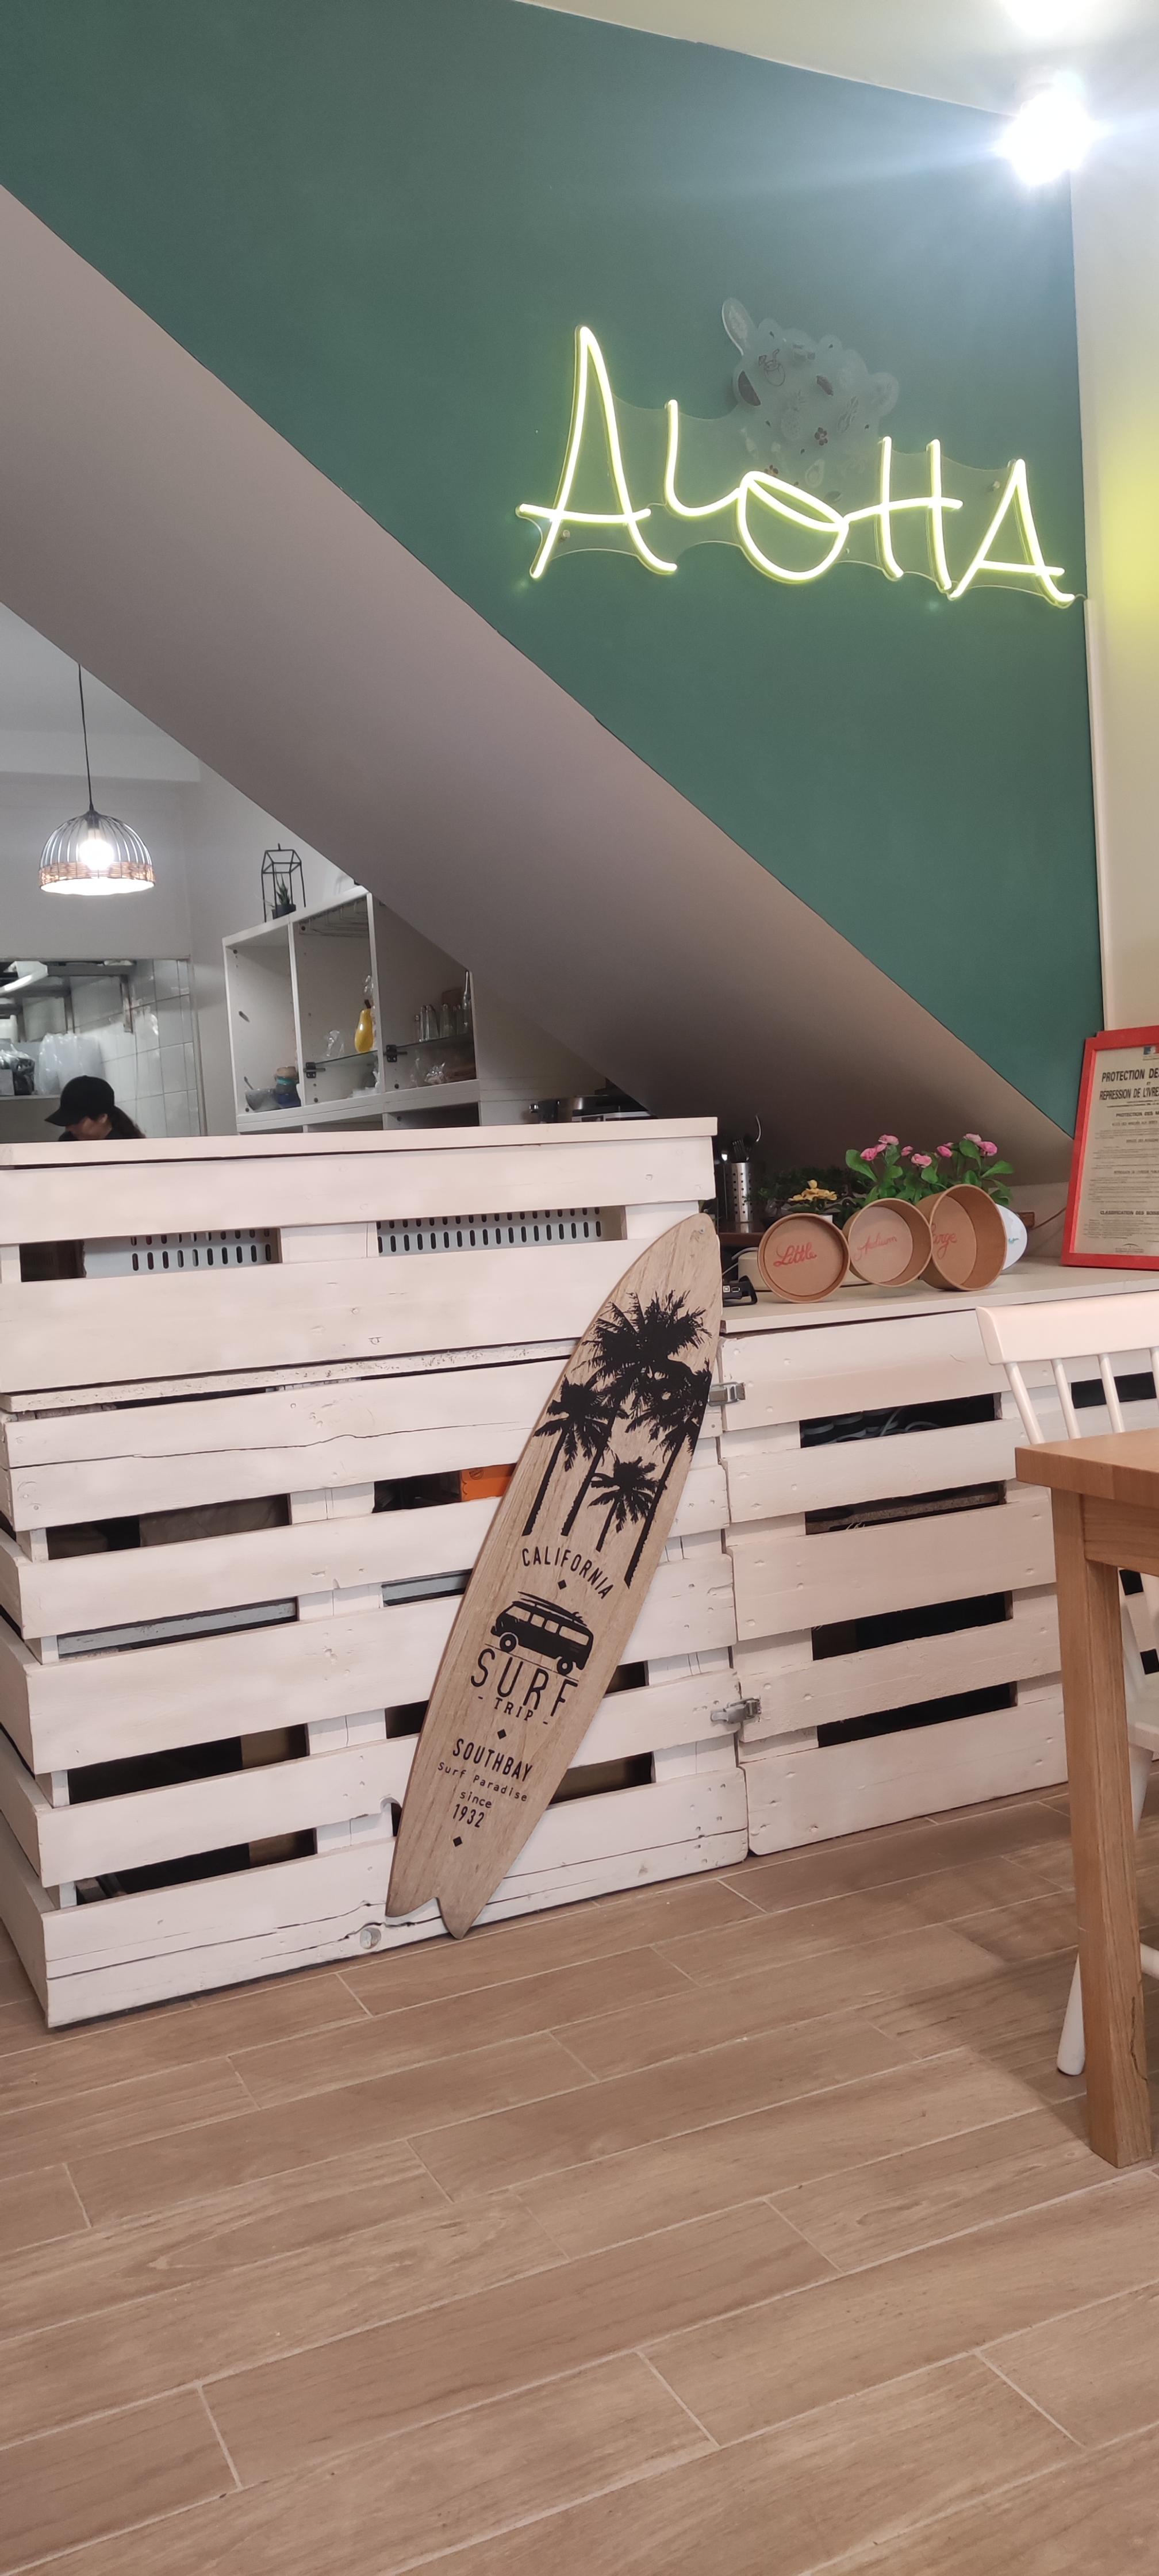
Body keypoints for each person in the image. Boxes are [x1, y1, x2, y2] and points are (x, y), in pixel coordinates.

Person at [47, 1074, 143, 1140]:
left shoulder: (129, 1149)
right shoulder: (68, 1142)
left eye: (75, 1122)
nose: (68, 1129)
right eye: (66, 1123)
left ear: (102, 1118)